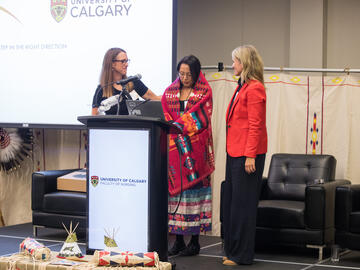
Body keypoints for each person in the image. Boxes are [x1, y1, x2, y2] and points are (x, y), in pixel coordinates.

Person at [161, 55, 215, 256]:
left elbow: (201, 118)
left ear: (196, 73)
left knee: (196, 195)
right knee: (176, 197)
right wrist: (175, 130)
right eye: (181, 73)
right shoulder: (170, 92)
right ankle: (179, 241)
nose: (184, 77)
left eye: (188, 74)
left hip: (196, 151)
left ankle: (194, 241)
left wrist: (179, 127)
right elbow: (166, 114)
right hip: (175, 150)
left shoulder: (205, 92)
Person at [222, 45, 267, 266]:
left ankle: (242, 255)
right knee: (232, 202)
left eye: (236, 61)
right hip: (235, 151)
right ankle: (232, 250)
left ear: (245, 63)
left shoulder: (255, 88)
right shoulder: (242, 86)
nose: (233, 65)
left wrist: (250, 156)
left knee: (243, 205)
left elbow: (255, 125)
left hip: (247, 154)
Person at [92, 47, 160, 115]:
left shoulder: (134, 82)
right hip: (113, 125)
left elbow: (155, 99)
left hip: (136, 125)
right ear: (112, 64)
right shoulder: (102, 89)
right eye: (122, 61)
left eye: (127, 61)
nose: (126, 64)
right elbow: (94, 117)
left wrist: (169, 95)